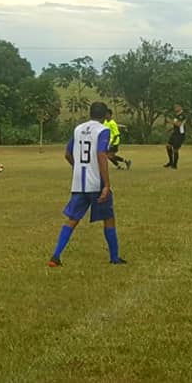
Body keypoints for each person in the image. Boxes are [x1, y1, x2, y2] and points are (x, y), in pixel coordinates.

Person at [48, 101, 126, 267]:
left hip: (79, 183)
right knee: (109, 219)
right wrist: (106, 184)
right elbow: (101, 155)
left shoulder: (78, 129)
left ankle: (55, 256)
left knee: (72, 219)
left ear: (89, 113)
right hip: (96, 183)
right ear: (105, 116)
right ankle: (114, 258)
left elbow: (67, 154)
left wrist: (78, 167)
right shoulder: (102, 130)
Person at [163, 104, 186, 169]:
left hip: (180, 134)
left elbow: (179, 124)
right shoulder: (176, 116)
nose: (175, 108)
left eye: (176, 107)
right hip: (175, 133)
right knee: (168, 146)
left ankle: (174, 165)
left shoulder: (183, 116)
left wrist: (169, 121)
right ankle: (171, 162)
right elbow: (175, 125)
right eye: (174, 107)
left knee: (175, 149)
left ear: (180, 107)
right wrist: (170, 129)